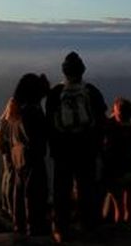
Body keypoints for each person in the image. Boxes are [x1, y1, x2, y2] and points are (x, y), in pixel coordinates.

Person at [45, 51, 106, 243]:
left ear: (64, 72)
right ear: (82, 71)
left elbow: (49, 124)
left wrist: (54, 147)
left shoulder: (55, 93)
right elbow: (101, 120)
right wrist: (97, 144)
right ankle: (89, 225)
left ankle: (61, 229)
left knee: (61, 190)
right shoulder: (92, 92)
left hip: (62, 151)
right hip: (86, 149)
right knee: (87, 187)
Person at [7, 73, 50, 237]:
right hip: (32, 157)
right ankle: (35, 227)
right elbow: (38, 135)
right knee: (35, 192)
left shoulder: (16, 112)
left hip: (19, 157)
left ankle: (21, 226)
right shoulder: (32, 112)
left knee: (20, 190)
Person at [103, 97, 131, 224]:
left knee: (118, 201)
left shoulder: (110, 128)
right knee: (127, 199)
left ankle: (119, 224)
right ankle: (126, 222)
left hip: (115, 168)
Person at [0, 97, 16, 219]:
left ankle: (5, 205)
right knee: (11, 178)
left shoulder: (3, 119)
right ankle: (9, 206)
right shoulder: (10, 120)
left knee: (7, 176)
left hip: (5, 152)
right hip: (10, 152)